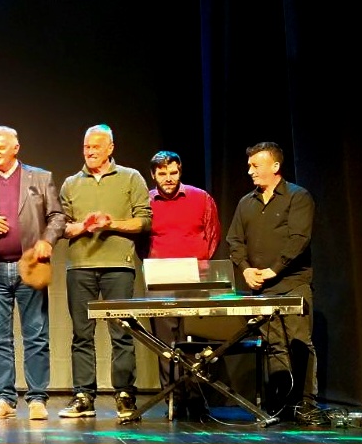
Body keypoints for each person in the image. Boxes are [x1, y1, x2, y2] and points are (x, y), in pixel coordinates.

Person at [0, 126, 63, 421]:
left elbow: (57, 216)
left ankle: (37, 398)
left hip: (29, 267)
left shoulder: (40, 177)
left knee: (36, 335)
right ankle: (4, 398)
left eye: (0, 147)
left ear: (15, 148)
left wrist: (47, 240)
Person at [225, 141, 327, 426]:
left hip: (293, 282)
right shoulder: (246, 202)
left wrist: (274, 269)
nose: (250, 171)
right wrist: (246, 270)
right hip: (262, 287)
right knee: (275, 346)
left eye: (255, 166)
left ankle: (306, 404)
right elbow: (234, 240)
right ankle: (282, 403)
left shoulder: (297, 196)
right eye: (249, 166)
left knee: (299, 343)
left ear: (275, 166)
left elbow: (299, 239)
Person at [58, 124, 151, 420]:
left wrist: (111, 224)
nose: (90, 151)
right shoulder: (71, 183)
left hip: (118, 266)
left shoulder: (130, 177)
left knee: (121, 331)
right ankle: (84, 396)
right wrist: (84, 226)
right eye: (86, 147)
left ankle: (124, 394)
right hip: (81, 267)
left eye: (96, 146)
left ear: (110, 148)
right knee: (81, 335)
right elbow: (61, 226)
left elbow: (143, 221)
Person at [145, 150, 220, 411]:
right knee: (165, 343)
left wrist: (198, 265)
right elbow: (141, 241)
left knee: (195, 340)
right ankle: (173, 398)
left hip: (195, 278)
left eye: (173, 172)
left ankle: (197, 398)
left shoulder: (201, 197)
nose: (168, 178)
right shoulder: (146, 201)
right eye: (162, 173)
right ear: (153, 175)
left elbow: (213, 235)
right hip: (160, 279)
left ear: (180, 171)